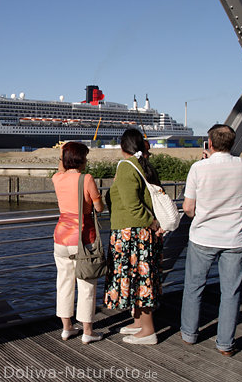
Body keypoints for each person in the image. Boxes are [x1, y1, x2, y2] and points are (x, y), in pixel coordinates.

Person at [180, 124, 242, 357]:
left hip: (204, 236)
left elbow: (188, 208)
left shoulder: (198, 168)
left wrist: (204, 162)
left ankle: (190, 334)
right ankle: (225, 345)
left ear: (209, 144)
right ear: (232, 143)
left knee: (194, 287)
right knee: (230, 292)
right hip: (235, 237)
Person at [104, 128, 163, 345]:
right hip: (139, 234)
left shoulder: (127, 167)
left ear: (123, 147)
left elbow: (132, 205)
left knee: (140, 280)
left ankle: (148, 330)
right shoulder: (143, 166)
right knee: (140, 278)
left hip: (132, 234)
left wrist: (150, 222)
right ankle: (139, 322)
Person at [52, 142, 105, 344]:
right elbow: (99, 208)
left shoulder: (57, 178)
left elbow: (61, 169)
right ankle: (88, 332)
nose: (86, 161)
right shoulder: (87, 179)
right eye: (85, 157)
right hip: (82, 238)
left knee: (64, 283)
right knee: (86, 285)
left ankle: (67, 328)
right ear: (80, 159)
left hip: (60, 238)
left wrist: (61, 153)